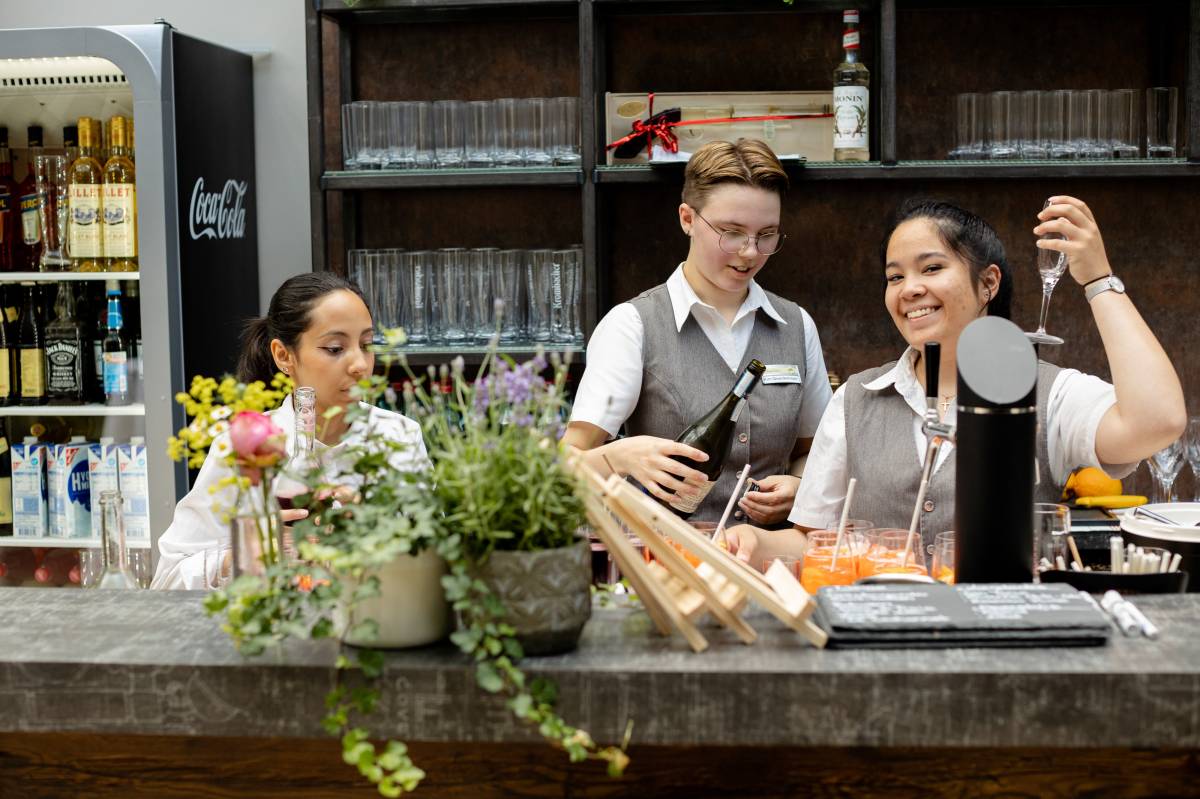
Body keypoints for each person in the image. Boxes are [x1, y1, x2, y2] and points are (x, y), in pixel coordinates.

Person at [728, 196, 1185, 564]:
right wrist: (755, 542)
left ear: (988, 283)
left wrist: (1099, 281)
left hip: (1008, 641)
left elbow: (1158, 422)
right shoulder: (856, 398)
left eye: (931, 268)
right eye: (894, 276)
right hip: (882, 641)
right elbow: (814, 543)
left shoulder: (1052, 394)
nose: (909, 289)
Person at [562, 138, 832, 525]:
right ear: (687, 219)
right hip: (662, 566)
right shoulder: (632, 325)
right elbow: (566, 463)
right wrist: (619, 457)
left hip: (770, 565)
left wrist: (800, 485)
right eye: (732, 232)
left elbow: (816, 451)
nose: (751, 252)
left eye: (767, 234)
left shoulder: (797, 325)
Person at [151, 272, 429, 590]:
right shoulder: (245, 445)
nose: (360, 365)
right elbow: (166, 580)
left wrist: (377, 527)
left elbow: (440, 559)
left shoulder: (400, 436)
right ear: (284, 355)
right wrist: (247, 554)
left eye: (366, 345)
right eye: (335, 348)